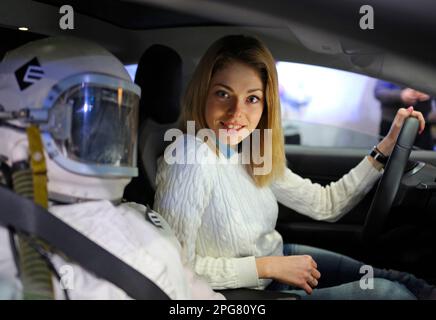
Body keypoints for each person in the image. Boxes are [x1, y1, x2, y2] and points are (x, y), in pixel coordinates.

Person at [154, 35, 436, 300]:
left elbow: (327, 204)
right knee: (390, 294)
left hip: (274, 262)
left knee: (403, 281)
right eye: (223, 94)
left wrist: (386, 146)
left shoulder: (248, 151)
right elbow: (176, 266)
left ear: (266, 105)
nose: (235, 113)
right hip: (248, 292)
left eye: (252, 98)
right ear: (203, 93)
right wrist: (267, 267)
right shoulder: (189, 156)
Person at [0, 37, 224, 300]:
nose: (105, 135)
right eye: (91, 119)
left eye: (117, 118)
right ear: (19, 134)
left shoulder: (148, 222)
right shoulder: (13, 248)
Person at [374, 80, 434, 150]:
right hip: (391, 124)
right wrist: (401, 95)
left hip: (423, 127)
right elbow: (379, 92)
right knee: (385, 156)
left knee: (422, 158)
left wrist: (430, 93)